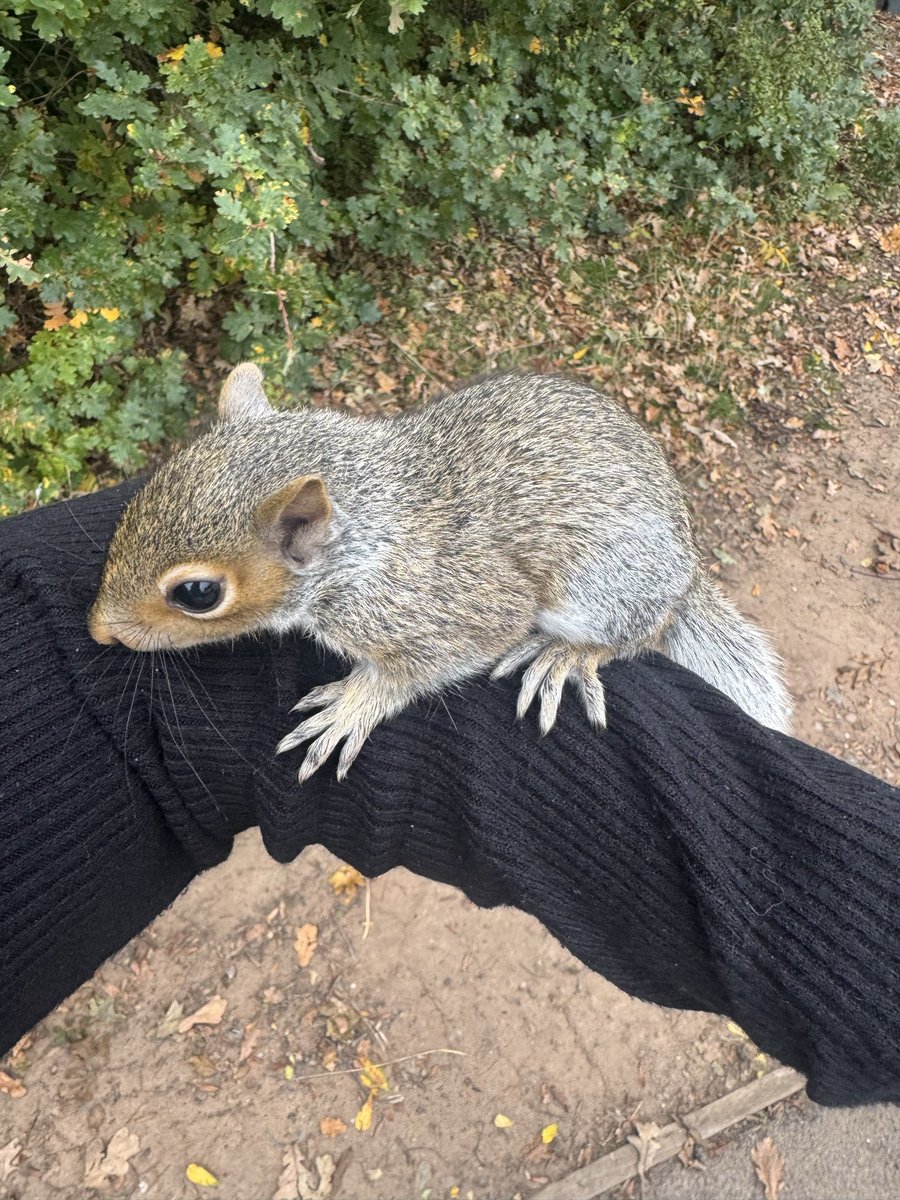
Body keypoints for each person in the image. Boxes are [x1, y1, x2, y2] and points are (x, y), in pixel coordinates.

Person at [1, 481, 898, 1106]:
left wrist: (369, 695)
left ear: (308, 530)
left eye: (194, 596)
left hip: (597, 583)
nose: (105, 633)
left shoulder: (370, 587)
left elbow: (478, 626)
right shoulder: (333, 569)